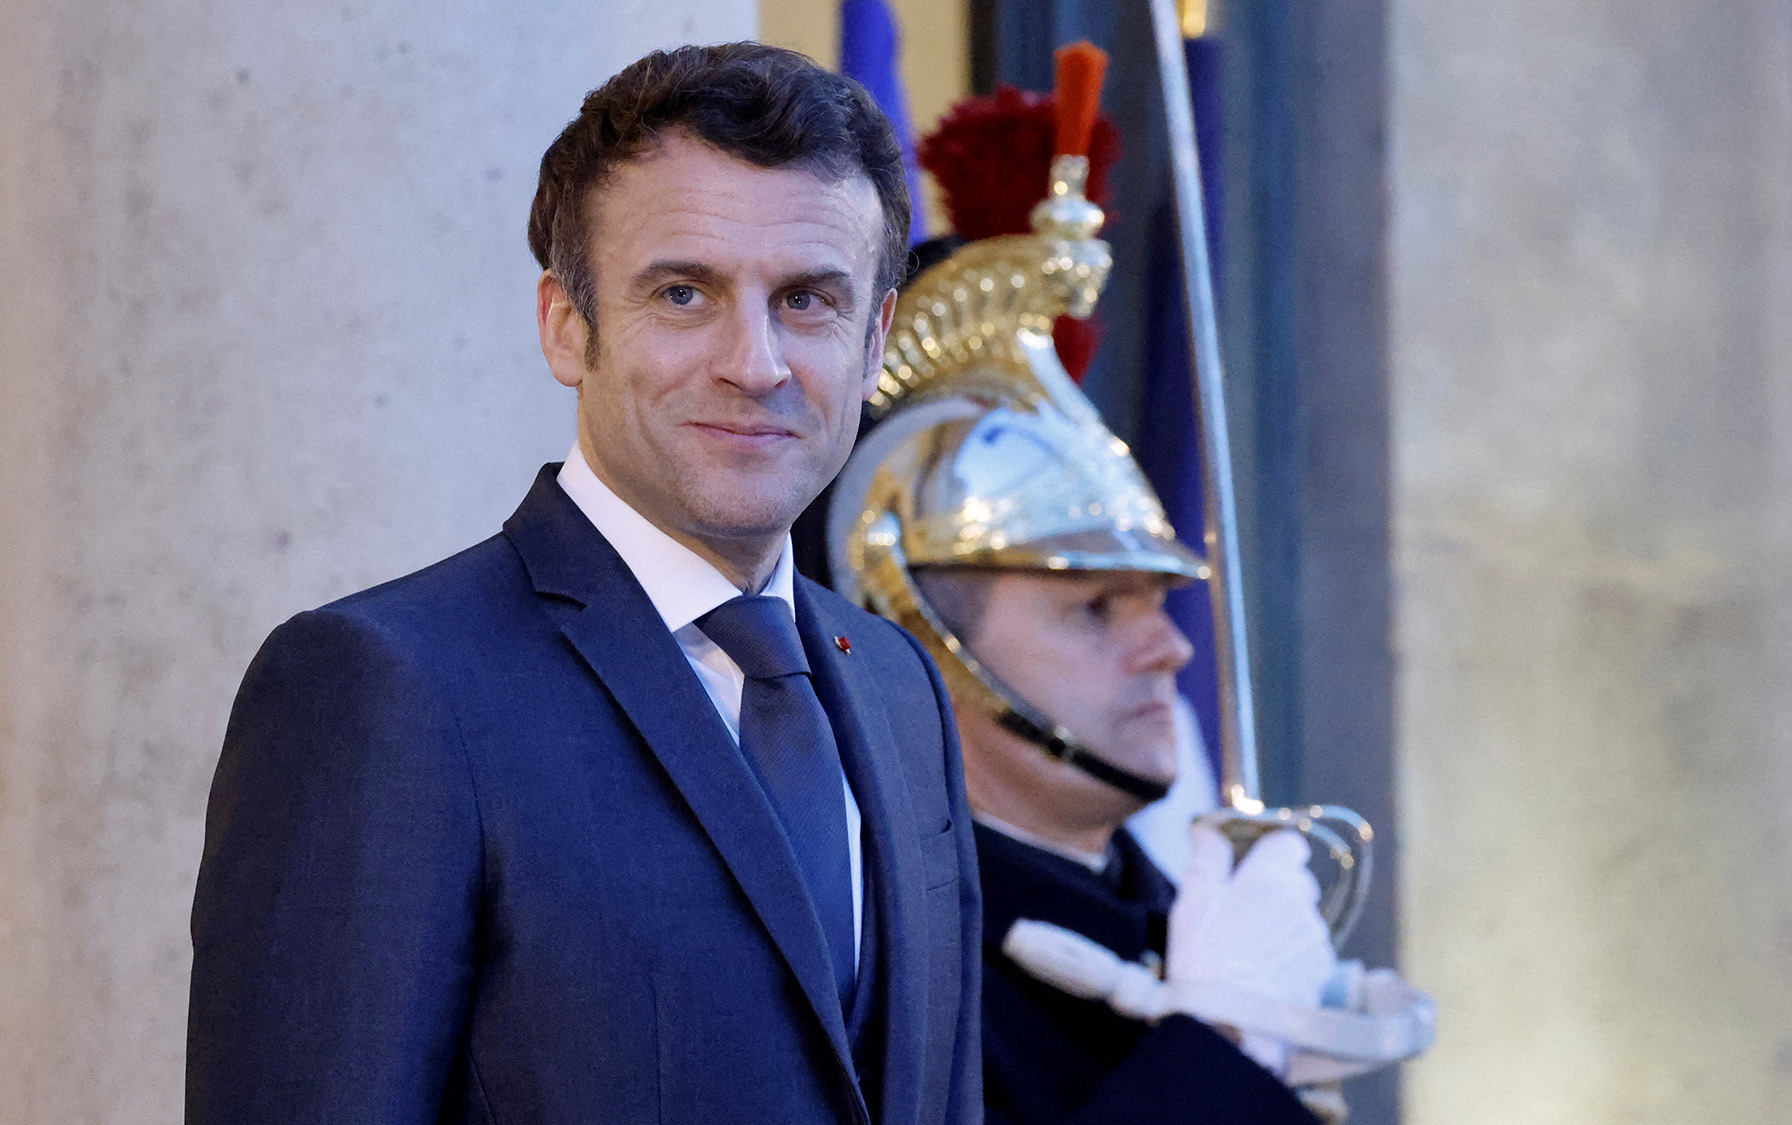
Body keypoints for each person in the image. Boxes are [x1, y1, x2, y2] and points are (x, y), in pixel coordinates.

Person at [186, 43, 981, 1125]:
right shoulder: (386, 689)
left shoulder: (897, 688)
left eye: (806, 301)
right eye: (685, 293)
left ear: (874, 335)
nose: (754, 363)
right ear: (567, 326)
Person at [817, 73, 1337, 1124]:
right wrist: (1225, 1043)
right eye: (1092, 609)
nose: (1166, 651)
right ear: (914, 641)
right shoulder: (877, 964)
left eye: (1154, 601)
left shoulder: (1169, 918)